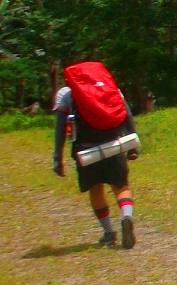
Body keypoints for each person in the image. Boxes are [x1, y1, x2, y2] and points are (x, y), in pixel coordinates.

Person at [53, 68, 138, 249]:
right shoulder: (109, 88)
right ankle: (126, 216)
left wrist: (57, 157)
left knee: (96, 189)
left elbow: (61, 128)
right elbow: (127, 115)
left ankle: (108, 232)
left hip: (86, 151)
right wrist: (133, 144)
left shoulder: (66, 93)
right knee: (121, 186)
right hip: (114, 146)